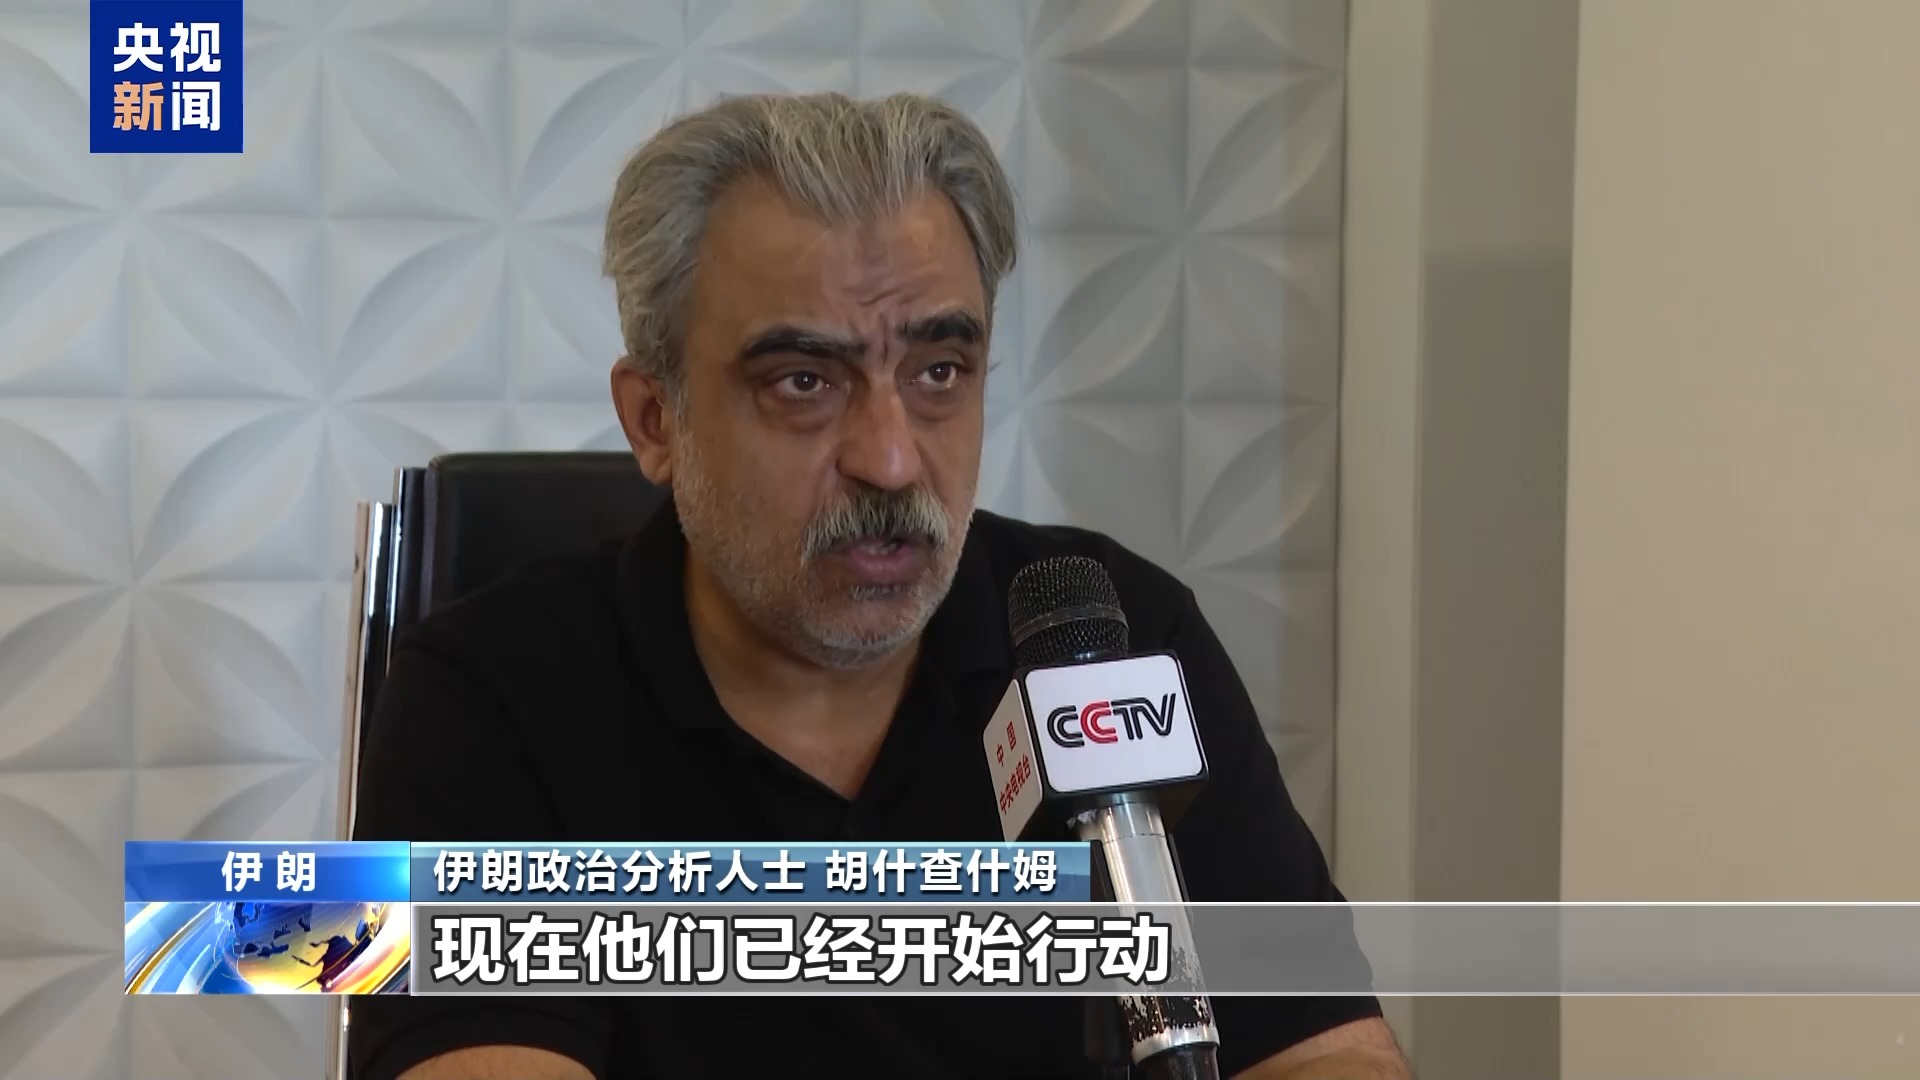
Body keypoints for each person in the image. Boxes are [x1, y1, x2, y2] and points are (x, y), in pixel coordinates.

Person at [348, 91, 1409, 1080]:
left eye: (939, 373)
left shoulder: (1112, 639)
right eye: (804, 381)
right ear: (656, 420)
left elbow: (1324, 1054)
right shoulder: (489, 698)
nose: (893, 462)